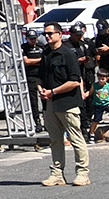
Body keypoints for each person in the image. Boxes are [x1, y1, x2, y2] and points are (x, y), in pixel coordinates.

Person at [37, 24, 90, 187]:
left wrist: (53, 91)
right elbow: (40, 77)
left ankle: (83, 173)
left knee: (75, 138)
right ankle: (57, 173)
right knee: (55, 140)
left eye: (50, 33)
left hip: (67, 103)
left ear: (60, 34)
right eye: (45, 34)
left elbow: (74, 81)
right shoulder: (46, 53)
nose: (47, 37)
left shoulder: (68, 54)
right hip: (50, 103)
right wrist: (42, 90)